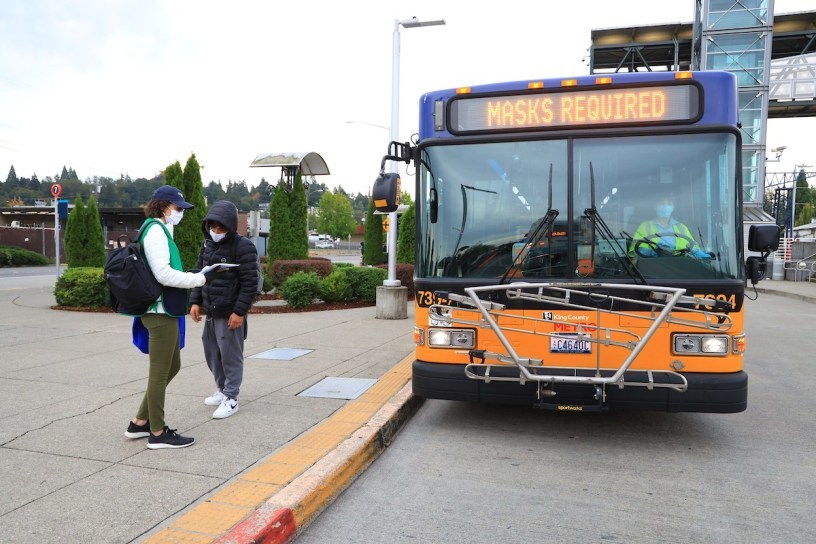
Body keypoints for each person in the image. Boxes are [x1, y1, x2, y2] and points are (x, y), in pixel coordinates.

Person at [124, 185, 206, 449]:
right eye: (178, 208)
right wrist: (198, 279)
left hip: (162, 310)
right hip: (159, 312)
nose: (181, 212)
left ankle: (139, 422)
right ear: (163, 206)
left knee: (172, 367)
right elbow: (163, 274)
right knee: (159, 374)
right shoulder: (156, 231)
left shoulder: (158, 229)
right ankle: (157, 433)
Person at [189, 200, 259, 419]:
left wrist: (239, 312)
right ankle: (221, 389)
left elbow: (250, 283)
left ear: (230, 226)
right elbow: (200, 274)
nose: (216, 231)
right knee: (212, 353)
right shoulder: (207, 245)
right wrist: (195, 301)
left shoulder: (243, 246)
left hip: (230, 312)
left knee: (230, 356)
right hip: (211, 310)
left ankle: (231, 397)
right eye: (212, 227)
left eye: (221, 228)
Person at [629, 196, 711, 259]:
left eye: (669, 204)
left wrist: (706, 256)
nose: (665, 207)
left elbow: (694, 249)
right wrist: (655, 251)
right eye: (662, 204)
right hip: (651, 268)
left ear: (673, 207)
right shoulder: (645, 226)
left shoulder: (681, 227)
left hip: (680, 267)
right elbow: (637, 251)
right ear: (655, 206)